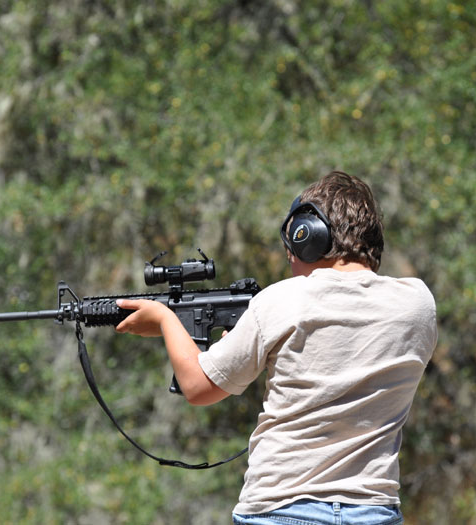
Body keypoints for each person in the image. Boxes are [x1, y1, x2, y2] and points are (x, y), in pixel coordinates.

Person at [115, 171, 438, 524]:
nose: (290, 259)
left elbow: (197, 386)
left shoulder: (280, 300)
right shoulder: (417, 304)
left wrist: (165, 320)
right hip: (374, 511)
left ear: (309, 236)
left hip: (281, 508)